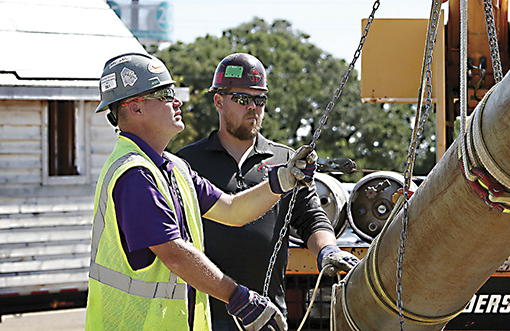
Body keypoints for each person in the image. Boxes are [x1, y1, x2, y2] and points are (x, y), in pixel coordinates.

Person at [85, 52, 316, 331]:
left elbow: (232, 210)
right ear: (136, 108)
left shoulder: (174, 168)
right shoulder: (135, 174)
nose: (178, 102)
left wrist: (282, 181)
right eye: (166, 94)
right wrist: (238, 297)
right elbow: (174, 254)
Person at [175, 53, 358, 331]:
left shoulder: (287, 161)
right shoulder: (187, 162)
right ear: (218, 101)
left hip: (268, 315)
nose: (253, 107)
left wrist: (328, 251)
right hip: (203, 315)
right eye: (242, 98)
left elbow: (310, 219)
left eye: (260, 99)